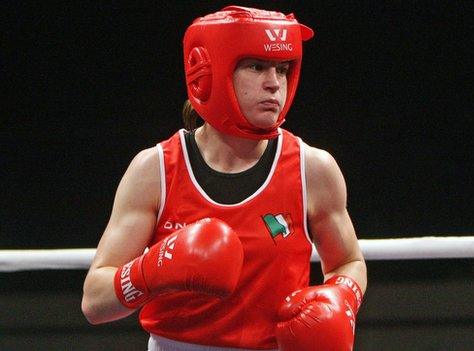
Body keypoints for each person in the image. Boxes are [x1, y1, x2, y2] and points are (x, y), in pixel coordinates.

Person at [81, 6, 367, 351]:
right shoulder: (155, 171)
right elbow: (95, 302)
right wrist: (151, 272)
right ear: (209, 72)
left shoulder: (313, 169)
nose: (274, 83)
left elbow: (348, 262)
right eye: (256, 66)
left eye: (282, 68)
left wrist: (340, 298)